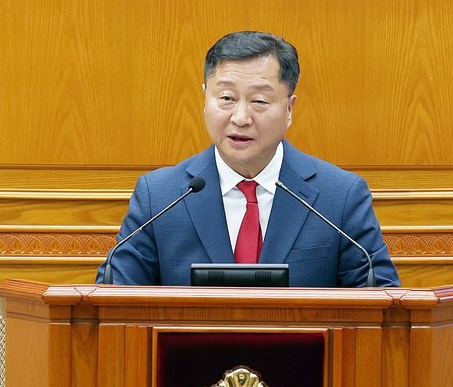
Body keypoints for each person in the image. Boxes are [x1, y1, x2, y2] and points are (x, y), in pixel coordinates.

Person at [96, 31, 399, 288]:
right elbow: (113, 296)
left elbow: (380, 301)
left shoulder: (340, 196)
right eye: (226, 98)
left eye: (259, 101)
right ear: (205, 100)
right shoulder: (160, 196)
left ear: (289, 109)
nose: (240, 118)